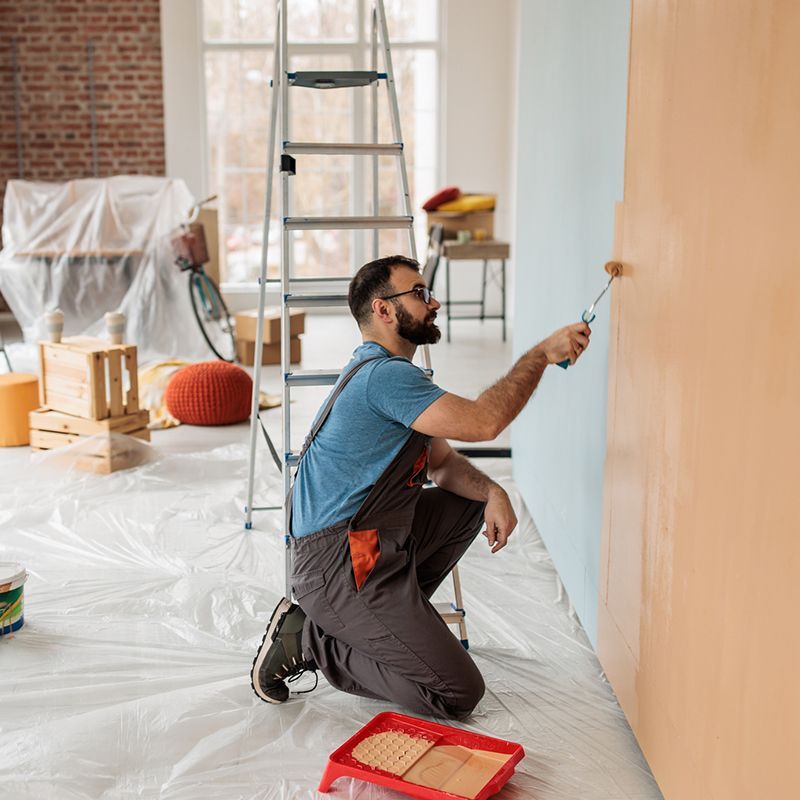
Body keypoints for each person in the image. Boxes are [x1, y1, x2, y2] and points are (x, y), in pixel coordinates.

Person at [251, 254, 591, 719]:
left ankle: (385, 623)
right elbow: (486, 421)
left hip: (367, 545)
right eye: (419, 293)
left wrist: (493, 492)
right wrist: (539, 356)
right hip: (336, 562)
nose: (433, 303)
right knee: (456, 692)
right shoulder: (383, 377)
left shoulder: (396, 377)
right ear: (383, 310)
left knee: (465, 505)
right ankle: (311, 639)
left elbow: (444, 465)